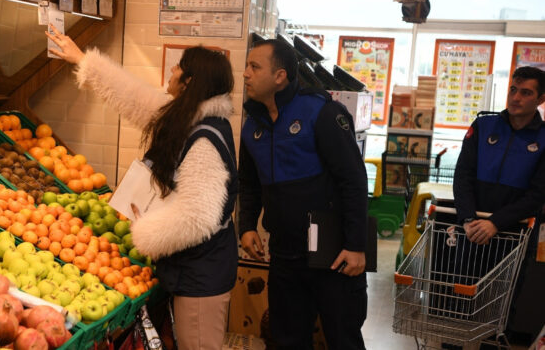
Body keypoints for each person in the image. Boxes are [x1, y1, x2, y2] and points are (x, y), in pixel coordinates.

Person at [46, 27, 238, 350]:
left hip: (202, 277)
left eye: (178, 67)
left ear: (190, 82)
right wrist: (83, 61)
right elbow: (134, 97)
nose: (172, 71)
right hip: (194, 269)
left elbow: (197, 217)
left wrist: (144, 232)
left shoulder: (205, 139)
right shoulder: (186, 117)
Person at [238, 39, 369, 350]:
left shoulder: (321, 112)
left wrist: (356, 245)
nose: (245, 74)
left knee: (343, 340)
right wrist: (245, 226)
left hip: (332, 253)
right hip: (285, 255)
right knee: (287, 341)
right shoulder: (251, 125)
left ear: (280, 76)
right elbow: (249, 183)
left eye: (254, 67)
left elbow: (354, 179)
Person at [454, 66, 545, 243]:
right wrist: (468, 219)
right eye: (513, 90)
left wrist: (495, 223)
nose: (516, 98)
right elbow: (463, 175)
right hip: (472, 230)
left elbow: (538, 194)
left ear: (541, 99)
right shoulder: (483, 126)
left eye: (526, 93)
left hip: (517, 234)